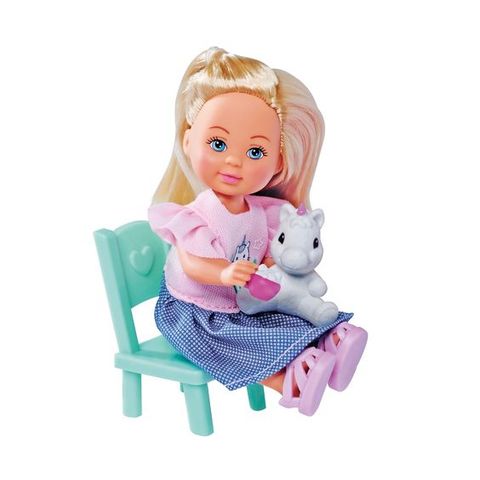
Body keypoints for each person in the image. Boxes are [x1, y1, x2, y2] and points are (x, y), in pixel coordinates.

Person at [148, 47, 367, 416]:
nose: (234, 161)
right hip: (195, 311)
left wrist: (271, 268)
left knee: (281, 315)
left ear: (278, 161)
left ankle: (329, 344)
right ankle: (289, 382)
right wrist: (224, 273)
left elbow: (261, 247)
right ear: (188, 140)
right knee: (238, 340)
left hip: (238, 299)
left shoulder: (260, 211)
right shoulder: (195, 216)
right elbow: (192, 264)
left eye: (255, 153)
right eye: (218, 144)